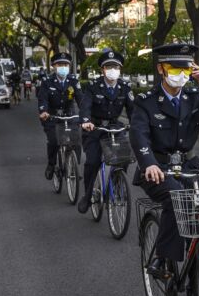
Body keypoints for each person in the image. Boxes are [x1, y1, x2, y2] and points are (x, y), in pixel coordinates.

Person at [129, 43, 199, 296]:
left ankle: (196, 282)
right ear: (161, 68)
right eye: (175, 68)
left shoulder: (195, 96)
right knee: (176, 199)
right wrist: (148, 162)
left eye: (186, 68)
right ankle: (162, 260)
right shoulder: (146, 102)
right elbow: (138, 135)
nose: (181, 74)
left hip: (188, 167)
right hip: (157, 168)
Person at [77, 50, 135, 213]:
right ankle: (88, 196)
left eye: (115, 67)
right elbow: (85, 106)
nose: (112, 70)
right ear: (102, 70)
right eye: (109, 67)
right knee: (93, 162)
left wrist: (137, 124)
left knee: (124, 157)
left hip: (115, 127)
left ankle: (117, 184)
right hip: (95, 128)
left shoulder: (125, 87)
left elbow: (133, 110)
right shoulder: (93, 86)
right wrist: (85, 121)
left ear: (120, 69)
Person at [38, 52, 83, 180]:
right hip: (52, 116)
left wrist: (85, 114)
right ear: (54, 66)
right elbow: (43, 99)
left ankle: (73, 166)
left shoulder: (73, 80)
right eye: (60, 64)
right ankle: (51, 164)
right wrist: (44, 112)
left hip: (69, 115)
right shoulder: (47, 82)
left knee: (76, 141)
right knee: (54, 141)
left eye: (65, 64)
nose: (63, 67)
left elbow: (80, 99)